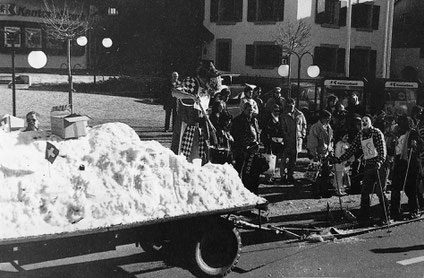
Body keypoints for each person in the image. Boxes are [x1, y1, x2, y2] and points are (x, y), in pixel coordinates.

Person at [332, 115, 390, 225]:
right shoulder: (361, 134)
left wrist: (380, 161)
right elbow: (352, 148)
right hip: (369, 164)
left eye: (366, 128)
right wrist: (339, 159)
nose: (365, 130)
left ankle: (385, 216)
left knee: (380, 191)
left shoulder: (377, 133)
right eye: (363, 128)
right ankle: (364, 216)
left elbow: (382, 150)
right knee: (365, 191)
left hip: (380, 165)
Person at [170, 61, 222, 164]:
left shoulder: (207, 89)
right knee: (182, 158)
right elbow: (174, 92)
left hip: (200, 127)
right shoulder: (192, 82)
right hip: (185, 127)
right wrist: (191, 96)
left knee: (198, 158)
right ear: (204, 76)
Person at [390, 116, 421, 220]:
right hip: (399, 162)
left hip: (410, 163)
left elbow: (420, 146)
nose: (399, 125)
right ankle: (395, 211)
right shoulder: (397, 135)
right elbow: (395, 149)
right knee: (395, 187)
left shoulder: (412, 133)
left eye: (402, 123)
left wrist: (414, 145)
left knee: (410, 188)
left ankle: (414, 210)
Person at [231, 102, 261, 193]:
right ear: (244, 110)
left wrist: (257, 142)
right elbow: (236, 135)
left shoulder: (254, 120)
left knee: (251, 170)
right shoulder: (238, 120)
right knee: (240, 168)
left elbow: (257, 131)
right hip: (242, 149)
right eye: (249, 110)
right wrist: (246, 144)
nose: (251, 112)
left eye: (252, 110)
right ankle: (238, 188)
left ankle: (250, 188)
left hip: (253, 148)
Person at [306, 110, 333, 198]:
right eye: (327, 119)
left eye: (329, 119)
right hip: (317, 153)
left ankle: (323, 190)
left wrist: (330, 150)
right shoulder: (315, 127)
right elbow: (312, 142)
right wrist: (314, 153)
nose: (328, 121)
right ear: (322, 118)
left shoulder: (328, 127)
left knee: (326, 173)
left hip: (326, 153)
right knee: (315, 174)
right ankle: (315, 192)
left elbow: (330, 140)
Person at [280, 98, 307, 183]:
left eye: (292, 104)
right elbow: (282, 128)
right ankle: (283, 176)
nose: (291, 106)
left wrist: (302, 134)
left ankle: (290, 175)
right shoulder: (283, 115)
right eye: (289, 104)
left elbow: (304, 125)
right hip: (287, 141)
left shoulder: (300, 114)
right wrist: (286, 137)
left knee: (293, 160)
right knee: (284, 160)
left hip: (297, 140)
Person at [261, 104, 284, 183]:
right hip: (269, 142)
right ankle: (267, 177)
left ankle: (272, 175)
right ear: (272, 111)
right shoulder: (268, 119)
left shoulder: (280, 119)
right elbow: (266, 130)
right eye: (275, 111)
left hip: (278, 142)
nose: (277, 112)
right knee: (269, 159)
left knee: (276, 159)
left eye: (278, 111)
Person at [333, 130, 352, 196]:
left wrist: (349, 161)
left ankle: (342, 189)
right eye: (345, 136)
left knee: (344, 176)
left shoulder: (347, 144)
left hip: (345, 163)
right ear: (341, 137)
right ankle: (338, 190)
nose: (346, 138)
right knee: (339, 176)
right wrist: (340, 160)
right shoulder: (339, 144)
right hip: (339, 163)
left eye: (347, 136)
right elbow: (338, 154)